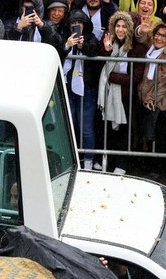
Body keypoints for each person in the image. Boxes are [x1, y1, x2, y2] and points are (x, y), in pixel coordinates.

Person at [98, 11, 147, 174]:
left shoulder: (138, 48)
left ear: (130, 29)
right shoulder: (109, 42)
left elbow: (135, 78)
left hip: (127, 96)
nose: (120, 30)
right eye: (117, 26)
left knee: (125, 130)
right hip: (109, 94)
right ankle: (109, 160)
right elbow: (102, 59)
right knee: (109, 128)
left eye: (124, 26)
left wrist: (112, 76)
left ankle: (123, 164)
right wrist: (107, 50)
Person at [62, 10, 101, 170]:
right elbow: (57, 51)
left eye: (79, 23)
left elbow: (93, 51)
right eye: (73, 23)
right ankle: (70, 158)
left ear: (84, 25)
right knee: (70, 125)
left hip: (87, 89)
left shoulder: (91, 38)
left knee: (86, 127)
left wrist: (81, 45)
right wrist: (67, 45)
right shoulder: (66, 37)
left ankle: (89, 161)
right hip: (68, 87)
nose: (76, 26)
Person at [137, 22, 166, 150]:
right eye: (157, 34)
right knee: (147, 132)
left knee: (158, 136)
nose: (159, 38)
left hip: (159, 102)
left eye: (164, 36)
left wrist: (151, 98)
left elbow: (164, 83)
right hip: (145, 98)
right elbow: (139, 38)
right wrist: (142, 30)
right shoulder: (150, 48)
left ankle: (159, 167)